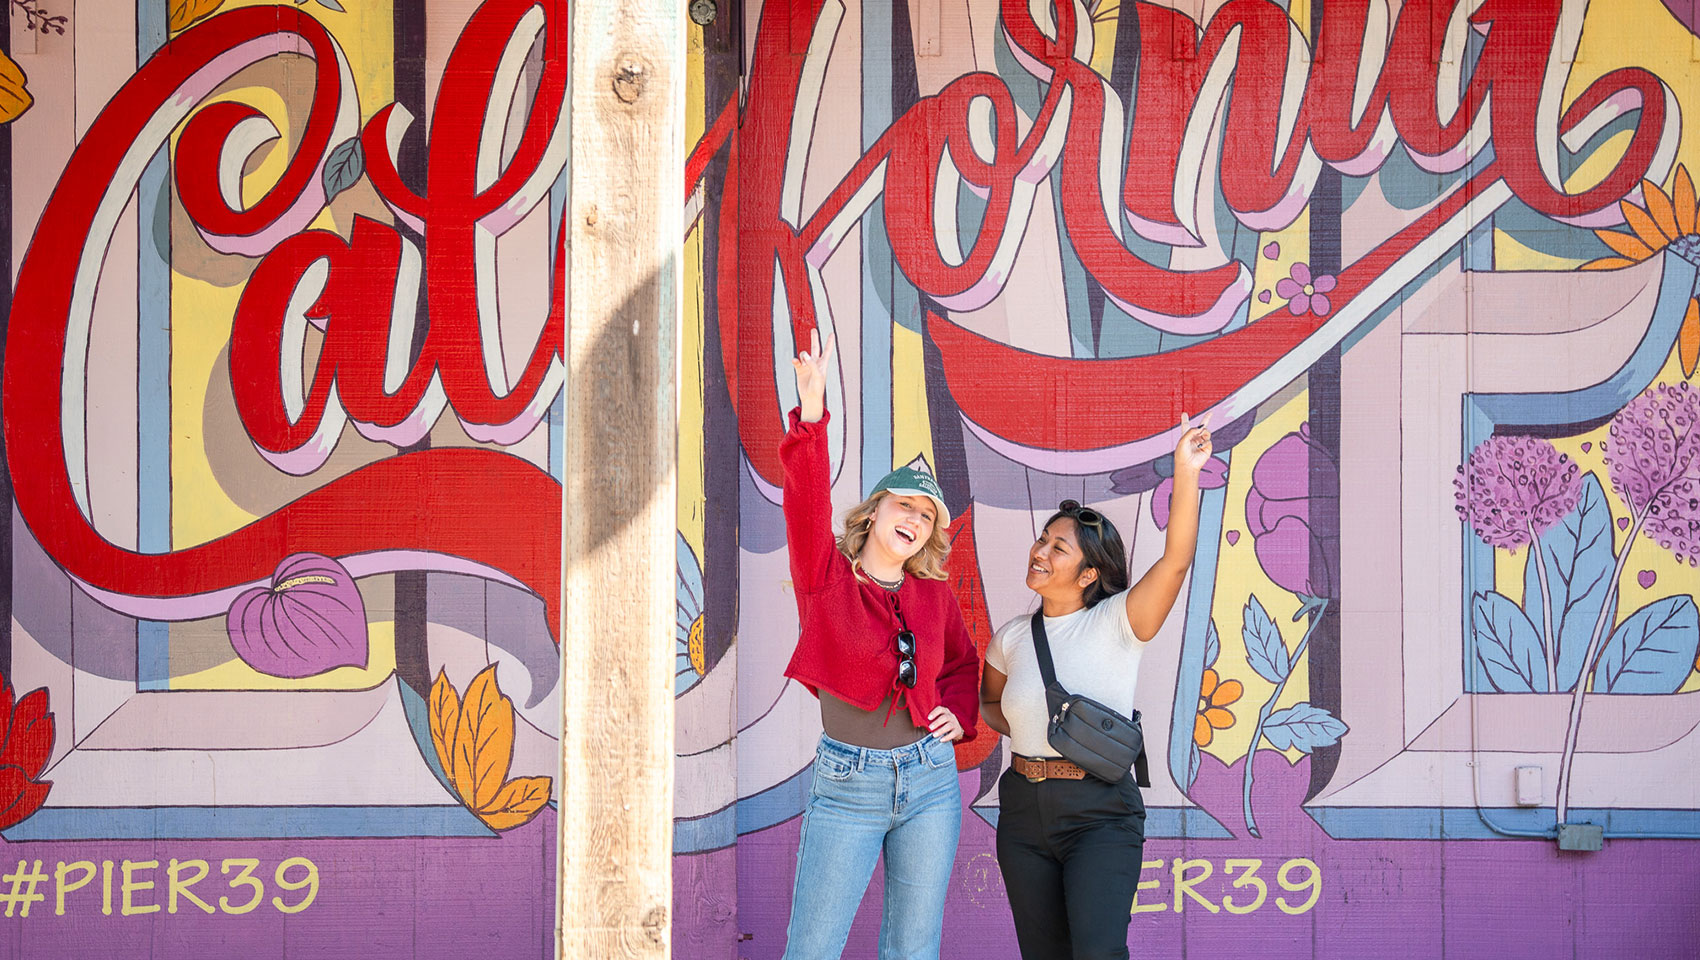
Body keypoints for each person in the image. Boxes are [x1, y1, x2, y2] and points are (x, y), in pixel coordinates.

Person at [779, 329, 982, 960]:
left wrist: (957, 714)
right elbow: (805, 504)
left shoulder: (933, 596)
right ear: (874, 514)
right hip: (848, 784)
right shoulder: (825, 579)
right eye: (904, 505)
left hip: (929, 782)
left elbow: (960, 664)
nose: (915, 520)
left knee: (913, 949)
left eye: (927, 516)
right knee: (813, 948)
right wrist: (812, 413)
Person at [980, 414, 1214, 960]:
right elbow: (990, 703)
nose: (1041, 551)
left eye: (1059, 549)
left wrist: (1186, 472)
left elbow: (1176, 561)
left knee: (1097, 952)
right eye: (1043, 540)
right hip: (1021, 809)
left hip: (1099, 811)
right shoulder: (1013, 636)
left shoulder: (1118, 620)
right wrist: (1025, 725)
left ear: (1088, 575)